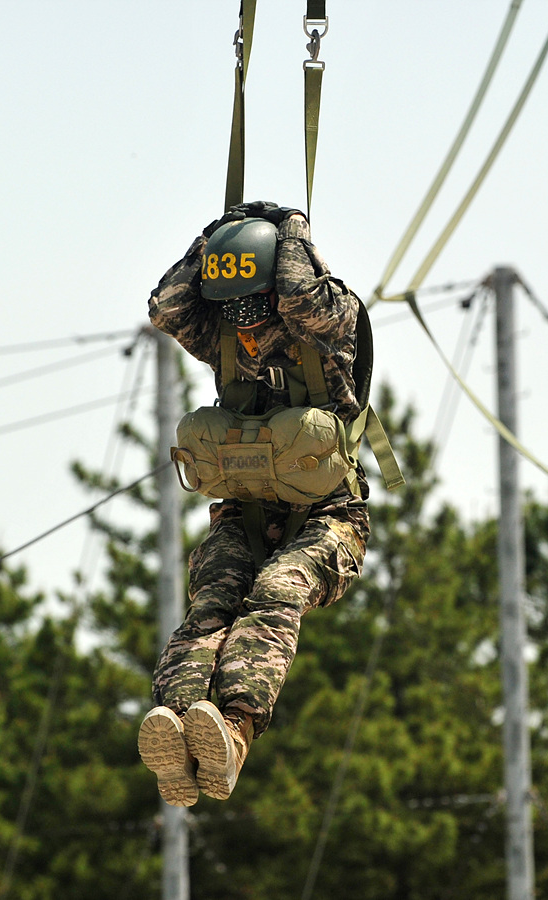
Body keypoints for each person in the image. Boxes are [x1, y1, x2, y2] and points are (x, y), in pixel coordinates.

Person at [137, 201, 371, 807]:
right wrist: (211, 238)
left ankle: (233, 733)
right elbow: (165, 306)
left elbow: (299, 295)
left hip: (328, 520)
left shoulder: (330, 323)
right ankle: (182, 731)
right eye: (229, 309)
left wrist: (289, 226)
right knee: (211, 607)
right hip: (242, 516)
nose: (241, 326)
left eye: (251, 308)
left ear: (273, 292)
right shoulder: (222, 335)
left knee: (277, 591)